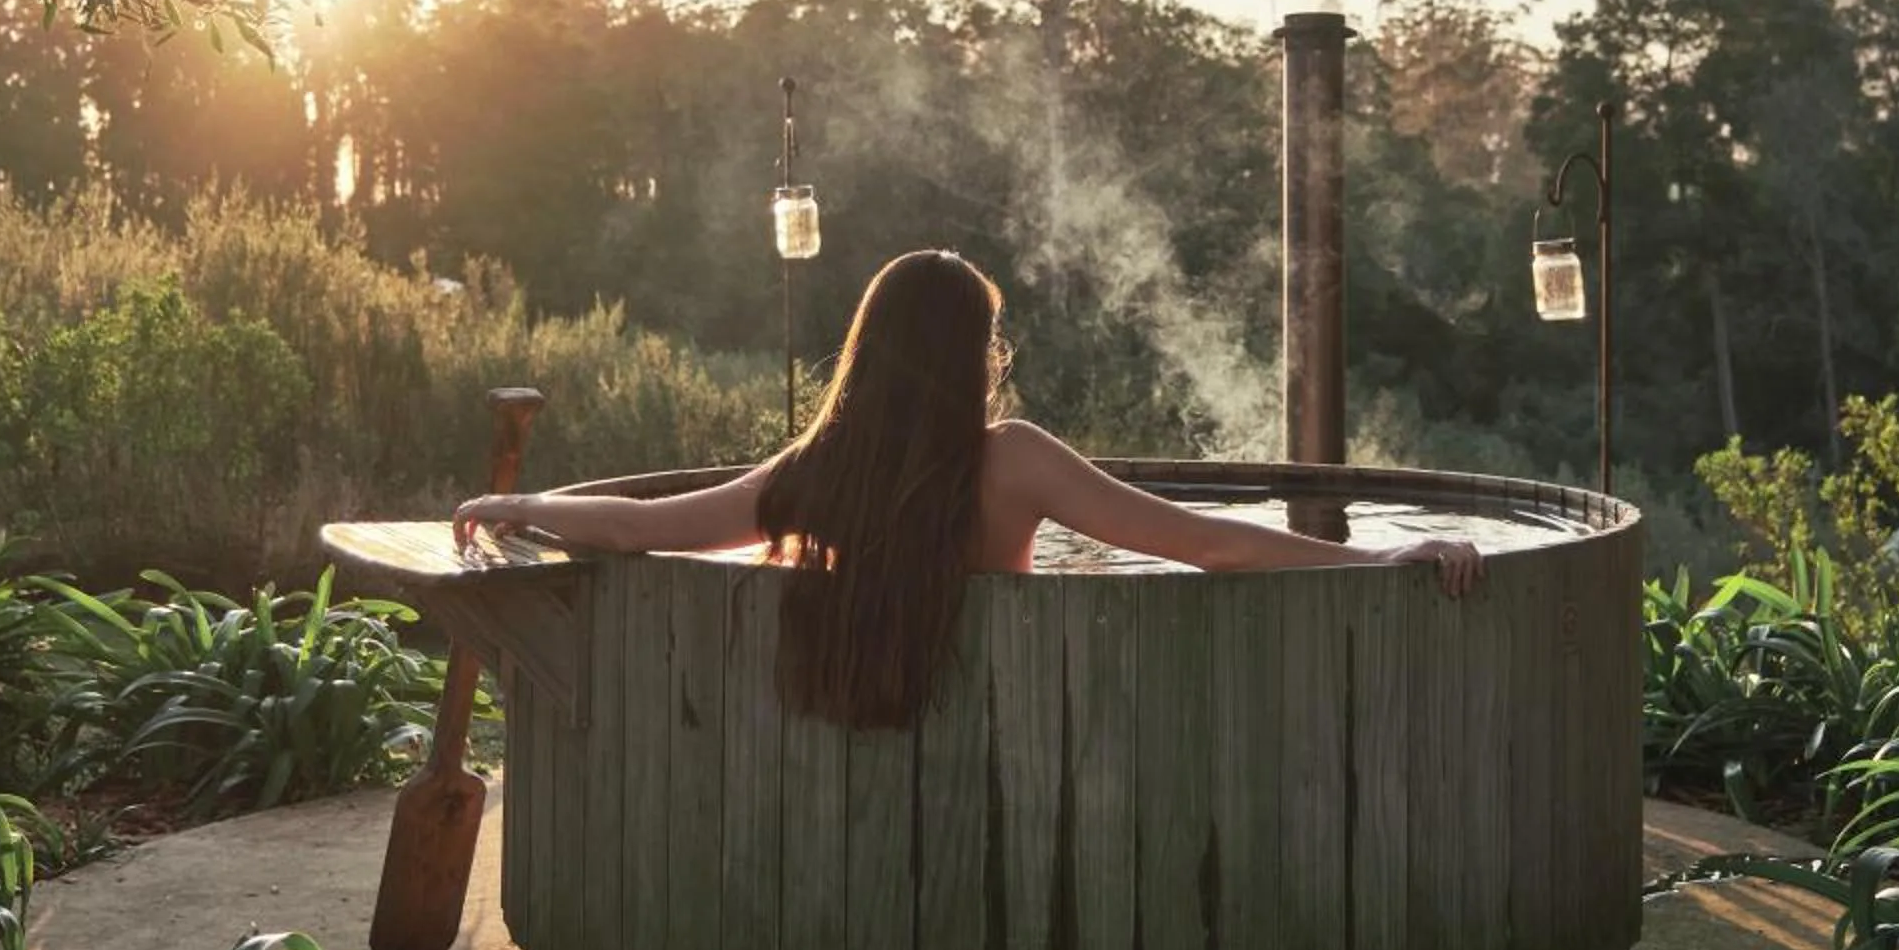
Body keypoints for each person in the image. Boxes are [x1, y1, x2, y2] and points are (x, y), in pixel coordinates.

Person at [452, 248, 1485, 728]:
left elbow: (644, 529)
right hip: (1014, 727)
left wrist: (524, 506)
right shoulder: (1015, 459)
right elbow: (1207, 544)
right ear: (966, 352)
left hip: (872, 723)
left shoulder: (821, 474)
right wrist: (1375, 556)